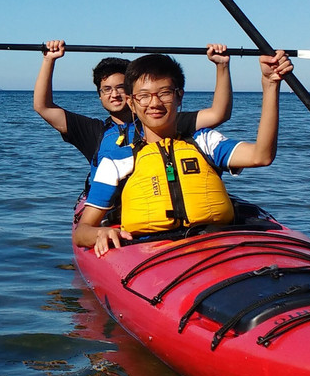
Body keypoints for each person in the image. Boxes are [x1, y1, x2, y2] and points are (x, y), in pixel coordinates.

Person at [73, 50, 293, 256]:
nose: (155, 103)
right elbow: (82, 231)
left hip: (214, 244)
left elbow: (261, 156)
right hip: (150, 252)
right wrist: (99, 234)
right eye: (144, 96)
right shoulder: (116, 161)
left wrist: (270, 85)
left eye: (164, 93)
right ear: (132, 103)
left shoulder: (205, 142)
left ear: (179, 96)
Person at [33, 41, 233, 195]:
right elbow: (43, 107)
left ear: (131, 93)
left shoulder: (161, 120)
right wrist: (49, 60)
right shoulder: (93, 131)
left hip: (155, 200)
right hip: (112, 211)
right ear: (100, 95)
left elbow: (219, 113)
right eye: (106, 89)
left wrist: (221, 66)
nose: (114, 95)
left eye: (120, 88)